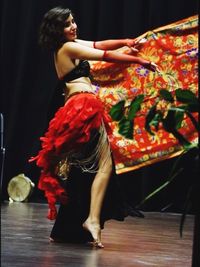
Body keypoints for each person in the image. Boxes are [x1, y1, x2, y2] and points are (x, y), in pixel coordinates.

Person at [30, 6, 159, 248]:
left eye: (73, 21)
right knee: (105, 162)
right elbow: (104, 56)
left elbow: (100, 45)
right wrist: (139, 60)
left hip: (79, 107)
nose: (73, 26)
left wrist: (125, 41)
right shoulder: (67, 47)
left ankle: (74, 225)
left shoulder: (71, 44)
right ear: (57, 29)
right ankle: (92, 219)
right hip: (84, 106)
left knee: (88, 167)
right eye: (68, 24)